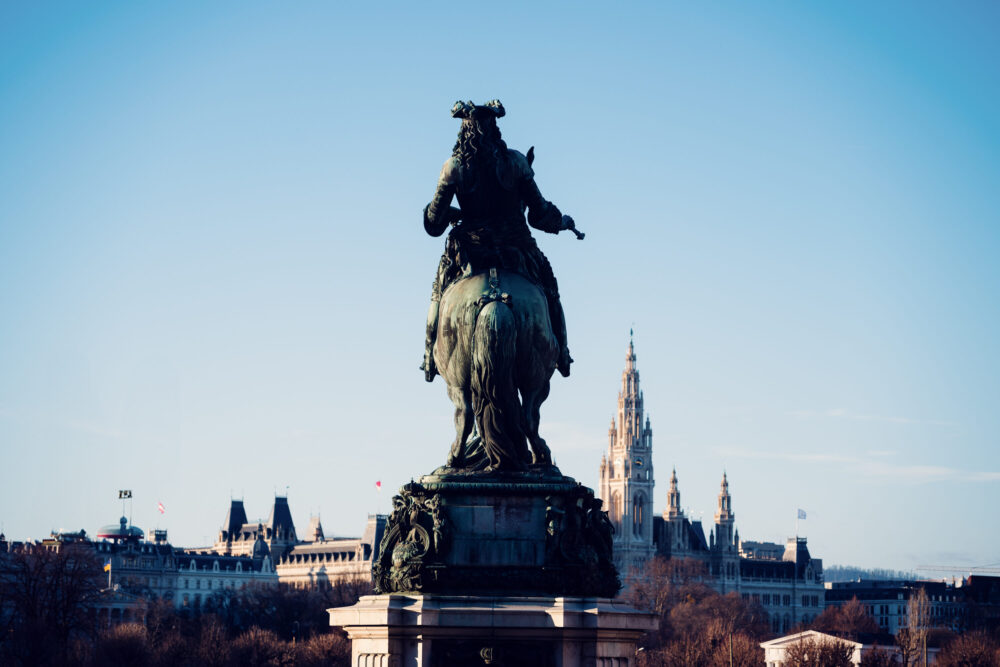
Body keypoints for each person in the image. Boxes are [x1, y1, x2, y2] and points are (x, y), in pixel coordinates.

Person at [421, 99, 574, 381]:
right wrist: (562, 221)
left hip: (472, 251)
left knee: (440, 291)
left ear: (464, 130)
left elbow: (432, 224)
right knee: (550, 290)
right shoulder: (516, 162)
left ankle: (429, 354)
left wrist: (447, 212)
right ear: (495, 128)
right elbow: (539, 214)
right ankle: (562, 352)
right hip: (515, 248)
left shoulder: (453, 168)